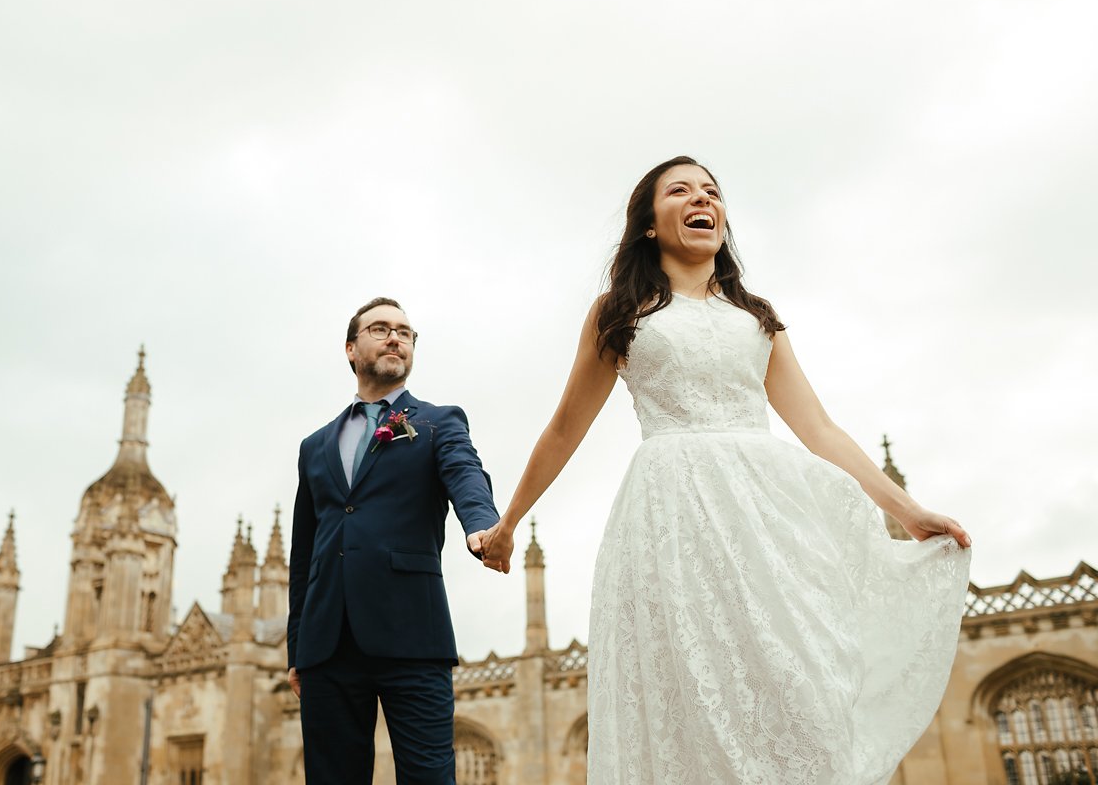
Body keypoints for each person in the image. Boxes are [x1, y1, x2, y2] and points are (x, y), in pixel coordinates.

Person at [479, 157, 973, 784]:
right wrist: (508, 521)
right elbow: (563, 428)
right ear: (650, 224)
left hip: (770, 515)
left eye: (710, 191)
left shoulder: (758, 316)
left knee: (806, 687)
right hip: (672, 515)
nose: (700, 198)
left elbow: (818, 429)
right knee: (692, 698)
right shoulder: (620, 312)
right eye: (679, 191)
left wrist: (908, 510)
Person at [287, 297, 501, 785]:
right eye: (380, 329)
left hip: (412, 634)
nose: (395, 338)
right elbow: (304, 555)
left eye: (405, 332)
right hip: (327, 645)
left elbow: (466, 476)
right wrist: (298, 648)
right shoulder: (314, 445)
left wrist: (480, 525)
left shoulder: (436, 421)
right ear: (350, 348)